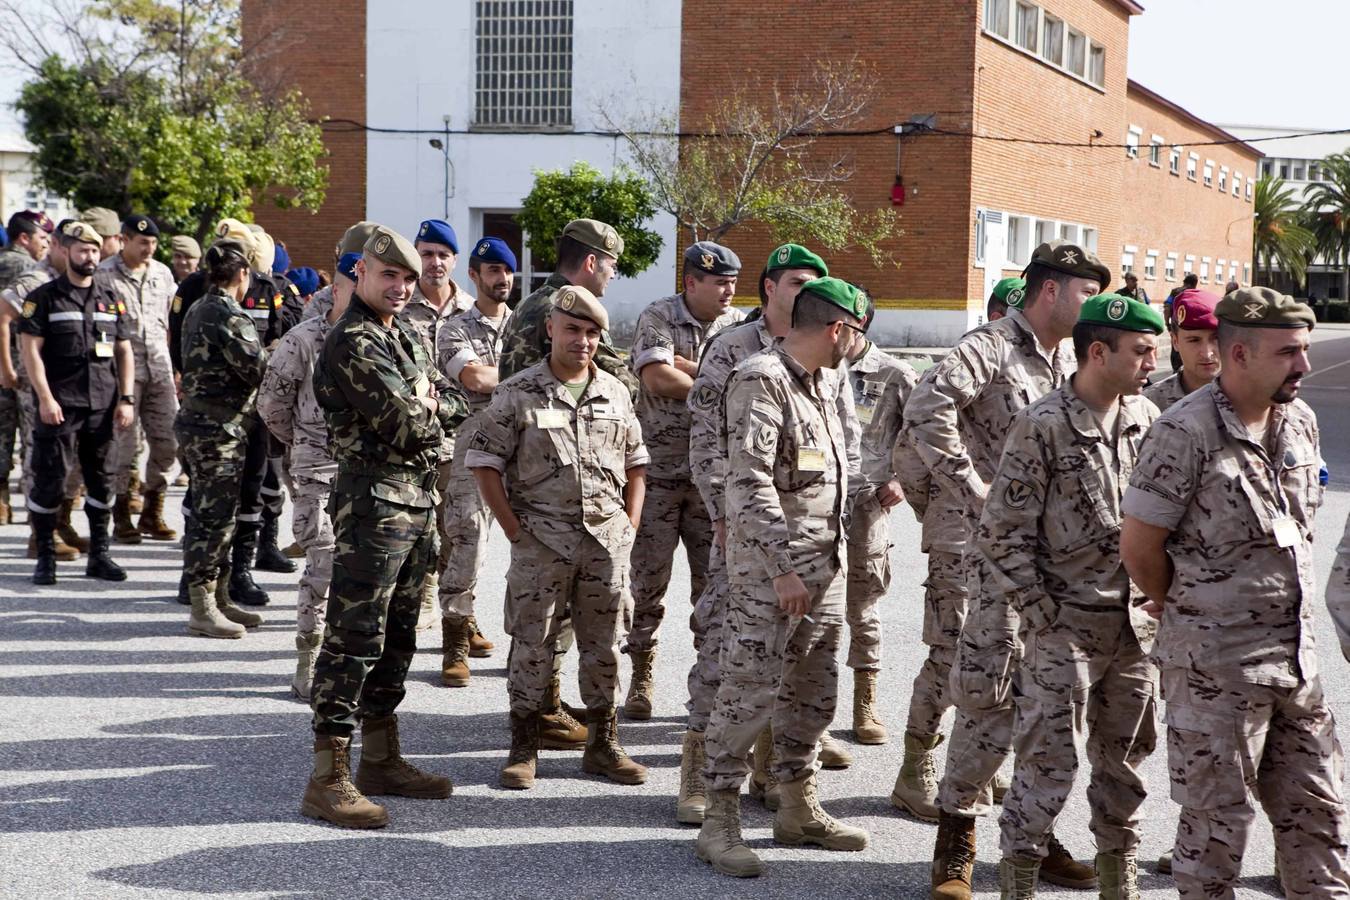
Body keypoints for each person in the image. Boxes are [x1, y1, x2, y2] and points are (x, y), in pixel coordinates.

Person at [1121, 287, 1350, 899]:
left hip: (1297, 667)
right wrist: (1195, 607)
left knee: (1321, 822)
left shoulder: (1298, 420)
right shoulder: (1182, 432)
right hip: (1213, 674)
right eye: (1290, 353)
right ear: (1239, 354)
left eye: (1304, 350)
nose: (1304, 365)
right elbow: (1140, 549)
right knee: (1215, 835)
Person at [907, 239, 1105, 900]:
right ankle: (954, 843)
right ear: (1051, 290)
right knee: (987, 695)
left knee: (1049, 705)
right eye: (1085, 290)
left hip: (1051, 566)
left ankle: (1032, 834)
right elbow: (925, 408)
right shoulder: (991, 347)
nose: (1092, 302)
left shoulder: (1068, 363)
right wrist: (974, 489)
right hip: (989, 560)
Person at [985, 293, 1163, 898]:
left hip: (1134, 630)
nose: (1152, 361)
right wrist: (1042, 617)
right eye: (1141, 351)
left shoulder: (1147, 418)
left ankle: (1120, 882)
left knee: (1126, 768)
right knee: (1046, 769)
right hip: (1066, 629)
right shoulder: (1044, 424)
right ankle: (1019, 884)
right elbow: (1001, 533)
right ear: (1097, 352)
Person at [697, 277, 871, 878]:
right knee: (747, 690)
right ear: (837, 329)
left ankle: (797, 806)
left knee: (812, 694)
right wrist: (782, 568)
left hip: (824, 565)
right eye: (857, 333)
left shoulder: (824, 381)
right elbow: (747, 479)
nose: (858, 344)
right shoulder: (760, 378)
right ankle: (719, 818)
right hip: (775, 575)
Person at [302, 226, 464, 830]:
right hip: (373, 507)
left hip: (415, 502)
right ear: (359, 274)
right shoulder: (354, 343)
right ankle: (328, 776)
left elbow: (454, 400)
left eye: (405, 276)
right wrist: (427, 404)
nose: (400, 286)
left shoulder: (405, 336)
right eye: (387, 274)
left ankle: (380, 757)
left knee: (398, 637)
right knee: (353, 639)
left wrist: (428, 399)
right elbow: (409, 426)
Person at [467, 284, 649, 790]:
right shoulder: (518, 390)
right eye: (573, 329)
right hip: (541, 544)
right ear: (550, 329)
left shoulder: (615, 389)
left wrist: (629, 527)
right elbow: (484, 462)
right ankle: (524, 745)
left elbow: (637, 463)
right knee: (532, 644)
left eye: (593, 333)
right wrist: (513, 529)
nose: (583, 341)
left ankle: (603, 745)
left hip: (605, 545)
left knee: (605, 646)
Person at [494, 218, 639, 750]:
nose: (611, 277)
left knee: (559, 617)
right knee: (543, 618)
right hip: (550, 484)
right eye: (612, 267)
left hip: (553, 484)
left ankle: (549, 703)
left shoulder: (535, 303)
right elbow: (613, 385)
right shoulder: (557, 309)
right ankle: (543, 709)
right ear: (591, 262)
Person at [622, 241, 744, 719]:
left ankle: (710, 684)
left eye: (733, 282)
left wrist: (689, 367)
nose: (728, 290)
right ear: (692, 282)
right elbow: (657, 378)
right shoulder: (658, 315)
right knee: (647, 583)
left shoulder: (738, 326)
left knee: (711, 587)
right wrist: (724, 380)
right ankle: (640, 677)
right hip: (659, 473)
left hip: (710, 480)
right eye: (719, 282)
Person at [258, 252, 357, 698]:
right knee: (323, 561)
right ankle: (309, 656)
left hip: (367, 472)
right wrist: (304, 443)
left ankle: (350, 660)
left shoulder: (388, 338)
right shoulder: (303, 340)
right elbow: (271, 407)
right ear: (336, 290)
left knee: (362, 569)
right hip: (317, 468)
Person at [16, 221, 134, 585]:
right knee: (50, 481)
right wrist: (45, 398)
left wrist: (126, 398)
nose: (90, 257)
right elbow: (29, 351)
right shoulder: (44, 297)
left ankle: (99, 556)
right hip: (59, 406)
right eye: (82, 250)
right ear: (66, 251)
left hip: (102, 405)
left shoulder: (111, 298)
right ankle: (46, 558)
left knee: (102, 482)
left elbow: (124, 350)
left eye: (95, 250)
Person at [174, 236, 268, 639]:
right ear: (243, 273)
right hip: (217, 433)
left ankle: (221, 595)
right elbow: (256, 368)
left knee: (219, 516)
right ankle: (202, 606)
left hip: (204, 427)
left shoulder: (198, 307)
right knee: (213, 521)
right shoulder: (229, 315)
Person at [435, 237, 516, 687]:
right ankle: (455, 640)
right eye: (492, 270)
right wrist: (528, 375)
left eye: (506, 271)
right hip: (474, 444)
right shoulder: (454, 328)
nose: (501, 279)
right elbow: (475, 376)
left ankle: (526, 643)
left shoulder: (530, 324)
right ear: (474, 275)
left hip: (529, 447)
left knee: (533, 546)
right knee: (467, 536)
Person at [840, 291, 920, 745]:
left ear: (861, 324)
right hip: (817, 503)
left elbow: (924, 433)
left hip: (868, 504)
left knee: (862, 605)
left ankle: (865, 702)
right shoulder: (814, 365)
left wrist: (902, 479)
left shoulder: (894, 374)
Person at [404, 218, 475, 629]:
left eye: (442, 255)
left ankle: (460, 613)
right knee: (419, 526)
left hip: (461, 438)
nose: (434, 262)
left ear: (455, 261)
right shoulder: (398, 304)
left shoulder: (471, 308)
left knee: (463, 530)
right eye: (427, 253)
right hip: (415, 436)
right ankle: (424, 595)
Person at [100, 214, 180, 544]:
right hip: (124, 373)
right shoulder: (104, 274)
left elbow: (171, 323)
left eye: (153, 243)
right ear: (124, 240)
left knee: (170, 441)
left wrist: (177, 366)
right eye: (142, 242)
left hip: (160, 369)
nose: (149, 249)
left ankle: (152, 510)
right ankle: (121, 514)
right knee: (124, 446)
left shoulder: (162, 273)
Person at [0, 210, 54, 526]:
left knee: (2, 433)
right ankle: (37, 513)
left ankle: (3, 503)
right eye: (41, 238)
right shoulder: (29, 270)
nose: (44, 245)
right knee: (31, 434)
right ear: (24, 238)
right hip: (18, 362)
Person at [1145, 288, 1221, 412]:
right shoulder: (1151, 404)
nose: (1207, 353)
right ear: (1175, 342)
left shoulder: (1249, 399)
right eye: (1194, 340)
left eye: (1216, 338)